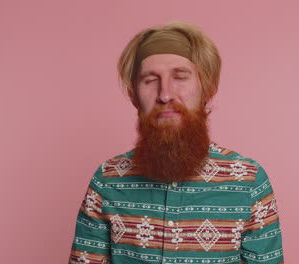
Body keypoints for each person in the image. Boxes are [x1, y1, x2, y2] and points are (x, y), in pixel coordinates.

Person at [68, 21, 284, 264]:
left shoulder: (250, 182)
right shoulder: (107, 180)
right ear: (134, 95)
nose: (165, 94)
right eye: (150, 80)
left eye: (180, 77)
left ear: (207, 88)